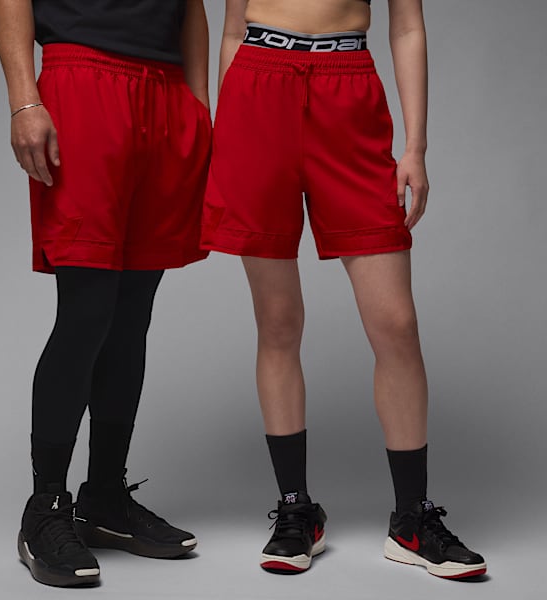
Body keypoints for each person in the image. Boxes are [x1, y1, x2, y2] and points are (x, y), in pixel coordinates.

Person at [202, 0, 486, 578]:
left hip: (348, 89)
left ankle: (412, 519)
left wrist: (415, 146)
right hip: (258, 91)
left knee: (396, 324)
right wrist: (228, 128)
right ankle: (295, 510)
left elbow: (407, 25)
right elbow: (233, 30)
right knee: (278, 321)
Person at [0, 0, 211, 588]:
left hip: (166, 91)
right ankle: (46, 507)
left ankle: (105, 497)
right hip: (83, 78)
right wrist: (24, 99)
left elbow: (192, 7)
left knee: (132, 315)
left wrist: (197, 104)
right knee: (87, 311)